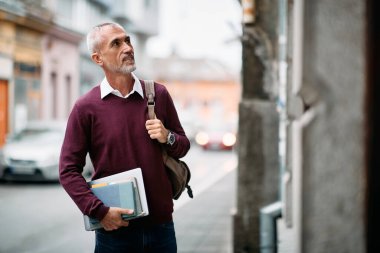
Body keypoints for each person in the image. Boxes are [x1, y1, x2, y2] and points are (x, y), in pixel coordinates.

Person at [59, 22, 190, 253]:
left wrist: (167, 136)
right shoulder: (85, 108)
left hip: (161, 229)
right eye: (116, 43)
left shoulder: (157, 94)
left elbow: (182, 146)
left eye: (127, 40)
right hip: (114, 232)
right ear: (98, 59)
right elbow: (68, 170)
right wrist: (99, 211)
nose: (128, 47)